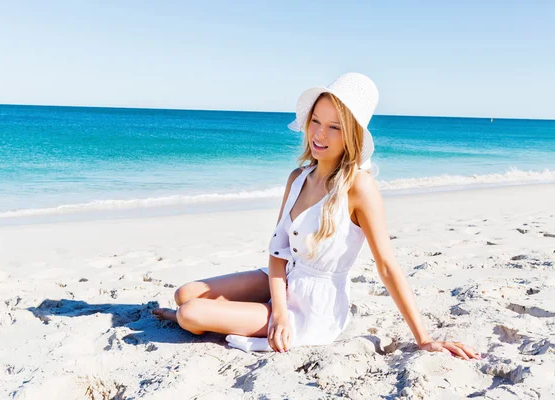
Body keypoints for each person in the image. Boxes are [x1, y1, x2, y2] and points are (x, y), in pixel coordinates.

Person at [153, 72, 481, 360]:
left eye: (334, 127)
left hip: (313, 305)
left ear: (351, 135)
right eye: (315, 122)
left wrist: (424, 339)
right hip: (285, 281)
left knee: (190, 312)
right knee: (186, 293)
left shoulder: (359, 187)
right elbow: (278, 250)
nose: (319, 136)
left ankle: (198, 319)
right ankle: (225, 314)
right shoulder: (298, 177)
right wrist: (277, 308)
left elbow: (386, 266)